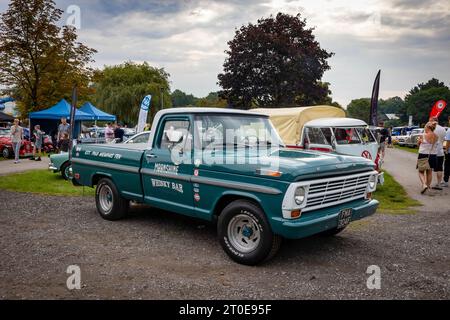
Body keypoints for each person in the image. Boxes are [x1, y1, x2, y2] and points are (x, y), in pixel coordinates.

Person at [417, 122, 438, 194]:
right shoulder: (436, 136)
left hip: (423, 154)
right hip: (433, 155)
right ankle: (428, 186)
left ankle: (424, 184)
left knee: (421, 171)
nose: (424, 128)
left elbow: (418, 145)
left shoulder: (423, 135)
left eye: (425, 127)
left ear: (427, 128)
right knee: (429, 172)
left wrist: (419, 141)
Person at [429, 116, 446, 190]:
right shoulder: (443, 129)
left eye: (430, 120)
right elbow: (443, 139)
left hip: (432, 151)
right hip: (440, 151)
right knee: (440, 168)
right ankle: (439, 184)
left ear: (433, 121)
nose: (429, 122)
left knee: (429, 168)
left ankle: (427, 184)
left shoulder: (432, 128)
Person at [443, 121, 450, 187]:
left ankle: (445, 181)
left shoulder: (449, 130)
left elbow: (448, 142)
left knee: (447, 166)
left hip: (449, 152)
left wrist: (446, 150)